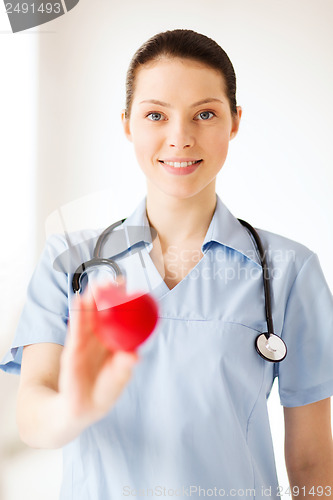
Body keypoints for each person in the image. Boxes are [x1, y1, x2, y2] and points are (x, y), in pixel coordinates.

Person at [1, 29, 333, 500]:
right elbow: (33, 419)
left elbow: (312, 462)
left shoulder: (289, 271)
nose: (180, 137)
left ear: (235, 122)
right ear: (127, 123)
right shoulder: (69, 263)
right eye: (156, 114)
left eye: (205, 114)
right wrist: (75, 407)